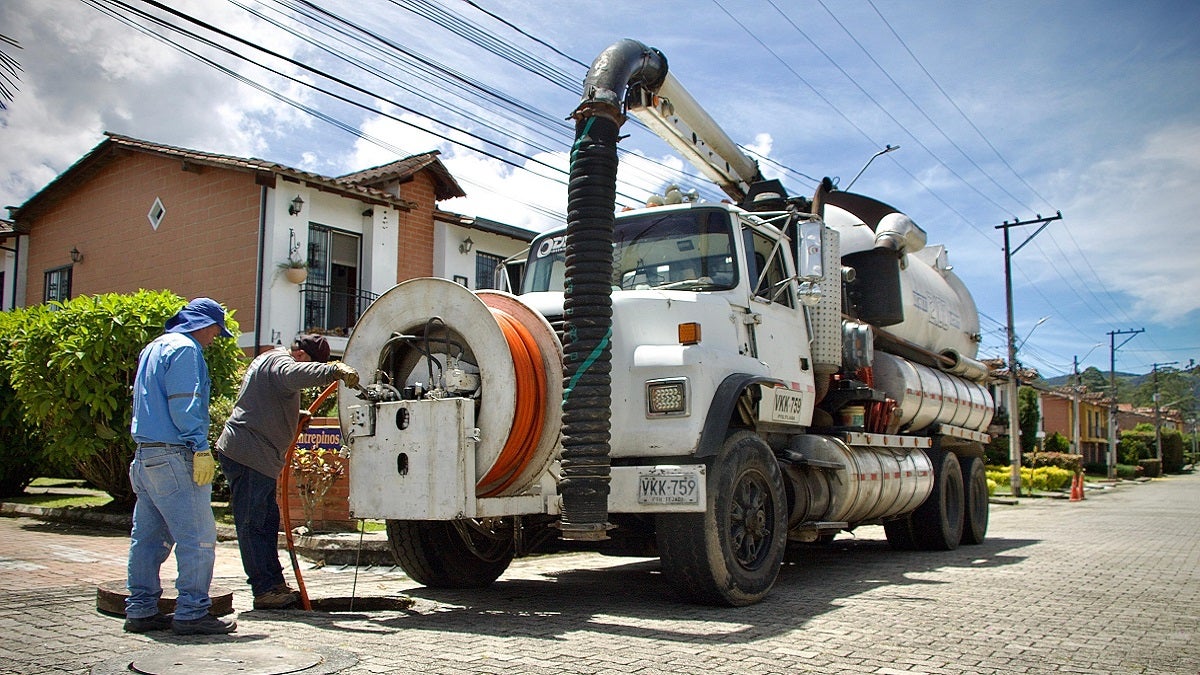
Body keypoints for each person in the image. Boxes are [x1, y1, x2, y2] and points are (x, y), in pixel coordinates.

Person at [215, 334, 358, 609]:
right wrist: (333, 370)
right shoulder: (281, 363)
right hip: (249, 454)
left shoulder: (270, 362)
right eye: (311, 364)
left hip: (253, 455)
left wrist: (296, 414)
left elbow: (266, 399)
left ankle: (272, 584)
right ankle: (265, 589)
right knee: (253, 524)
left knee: (266, 521)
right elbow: (292, 375)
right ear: (302, 356)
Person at [126, 297, 237, 635]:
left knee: (147, 539)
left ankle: (141, 610)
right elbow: (184, 404)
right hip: (175, 455)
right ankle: (191, 612)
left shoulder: (154, 347)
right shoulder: (186, 349)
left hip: (146, 456)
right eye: (217, 332)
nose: (215, 338)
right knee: (199, 538)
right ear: (205, 325)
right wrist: (199, 446)